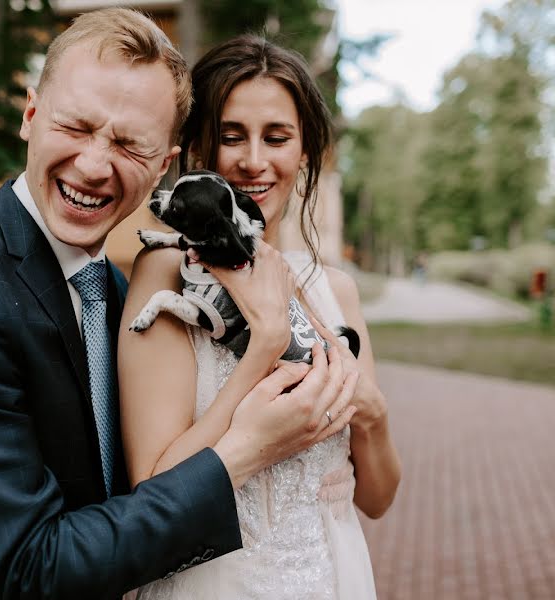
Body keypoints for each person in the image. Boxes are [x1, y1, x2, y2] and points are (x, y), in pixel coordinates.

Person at [0, 10, 356, 600]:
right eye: (75, 126)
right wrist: (246, 450)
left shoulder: (116, 291)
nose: (95, 166)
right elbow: (29, 569)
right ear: (31, 114)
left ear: (163, 166)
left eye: (128, 143)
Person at [120, 35, 402, 599]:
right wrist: (264, 349)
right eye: (232, 136)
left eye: (277, 138)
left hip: (334, 576)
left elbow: (375, 499)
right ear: (200, 149)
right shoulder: (168, 274)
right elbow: (153, 489)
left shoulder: (335, 292)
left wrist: (372, 418)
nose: (253, 160)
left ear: (304, 153)